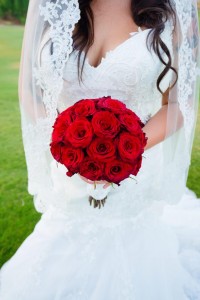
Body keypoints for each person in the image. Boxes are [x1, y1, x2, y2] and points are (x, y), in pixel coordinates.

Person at [0, 0, 200, 299]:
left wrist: (126, 149)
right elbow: (30, 91)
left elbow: (177, 104)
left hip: (135, 177)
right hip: (69, 177)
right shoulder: (51, 5)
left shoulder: (174, 9)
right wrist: (67, 145)